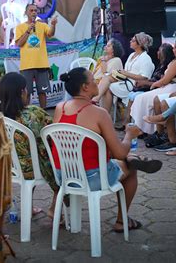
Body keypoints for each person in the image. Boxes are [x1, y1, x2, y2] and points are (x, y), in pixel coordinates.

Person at [53, 67, 162, 231]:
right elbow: (119, 152)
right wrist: (129, 135)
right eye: (93, 79)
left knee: (123, 157)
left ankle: (133, 159)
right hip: (92, 177)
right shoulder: (100, 113)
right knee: (130, 168)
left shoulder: (60, 107)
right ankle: (121, 221)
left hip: (64, 175)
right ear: (85, 87)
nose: (97, 81)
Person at [0, 72, 58, 217]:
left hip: (9, 166)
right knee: (62, 168)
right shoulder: (33, 113)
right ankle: (54, 209)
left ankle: (28, 207)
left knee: (29, 154)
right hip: (34, 167)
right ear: (22, 92)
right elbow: (52, 133)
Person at [131, 39, 176, 137]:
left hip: (173, 87)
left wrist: (154, 85)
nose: (173, 50)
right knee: (145, 98)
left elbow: (165, 80)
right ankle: (149, 128)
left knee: (141, 98)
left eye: (174, 48)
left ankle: (145, 129)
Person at [15, 3, 57, 109]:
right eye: (31, 10)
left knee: (42, 92)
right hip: (27, 65)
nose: (34, 12)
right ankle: (26, 114)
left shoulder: (42, 25)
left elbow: (50, 34)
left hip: (41, 64)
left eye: (35, 10)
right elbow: (19, 44)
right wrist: (29, 30)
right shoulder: (20, 27)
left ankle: (43, 114)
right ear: (26, 13)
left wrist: (53, 24)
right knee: (26, 92)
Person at [103, 32, 155, 114]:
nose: (130, 41)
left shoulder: (146, 58)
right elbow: (126, 70)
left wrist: (126, 74)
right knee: (107, 81)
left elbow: (144, 77)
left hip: (133, 85)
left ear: (139, 44)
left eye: (133, 41)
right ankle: (106, 114)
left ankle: (105, 113)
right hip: (125, 80)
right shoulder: (131, 55)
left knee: (108, 86)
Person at [92, 38, 124, 104]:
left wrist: (103, 61)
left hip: (104, 82)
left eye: (108, 46)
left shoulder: (116, 60)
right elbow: (94, 72)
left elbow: (105, 73)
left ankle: (95, 100)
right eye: (106, 45)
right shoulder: (102, 58)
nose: (105, 47)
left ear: (114, 49)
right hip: (96, 81)